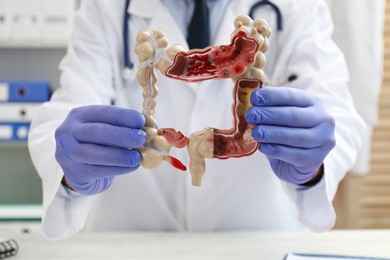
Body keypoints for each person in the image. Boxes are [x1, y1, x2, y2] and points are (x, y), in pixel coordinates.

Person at [28, 0, 365, 241]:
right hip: (129, 244)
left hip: (260, 243)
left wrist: (313, 167)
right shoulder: (105, 9)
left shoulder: (297, 8)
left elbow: (337, 115)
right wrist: (72, 172)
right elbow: (67, 110)